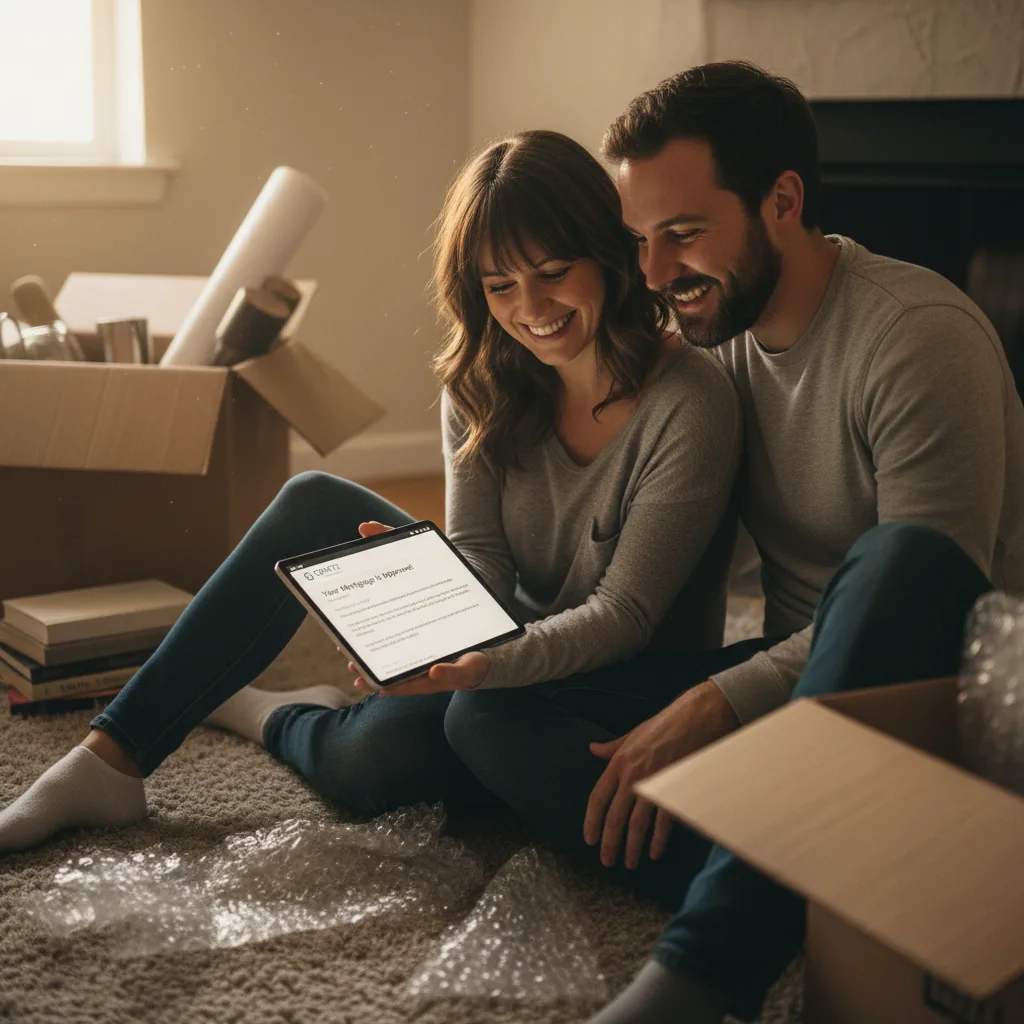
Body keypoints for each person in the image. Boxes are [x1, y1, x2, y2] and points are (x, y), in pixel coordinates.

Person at [0, 129, 741, 856]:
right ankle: (107, 760)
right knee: (316, 502)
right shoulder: (485, 380)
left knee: (375, 763)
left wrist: (478, 665)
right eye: (500, 286)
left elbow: (625, 616)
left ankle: (269, 715)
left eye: (552, 271)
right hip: (509, 643)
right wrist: (417, 606)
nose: (530, 307)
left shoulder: (691, 400)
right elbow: (483, 559)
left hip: (626, 678)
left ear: (607, 254)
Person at [564, 62, 1023, 1024]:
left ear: (782, 202)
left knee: (895, 560)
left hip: (935, 709)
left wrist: (715, 703)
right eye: (638, 241)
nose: (653, 275)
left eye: (682, 235)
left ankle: (701, 971)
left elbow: (943, 600)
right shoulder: (713, 337)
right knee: (491, 721)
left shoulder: (916, 337)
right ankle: (806, 876)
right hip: (790, 702)